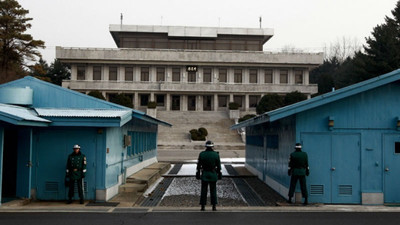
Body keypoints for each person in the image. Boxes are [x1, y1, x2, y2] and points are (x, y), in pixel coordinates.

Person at [196, 140, 222, 211]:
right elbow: (219, 166)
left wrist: (198, 173)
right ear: (212, 146)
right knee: (213, 190)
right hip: (213, 173)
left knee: (203, 190)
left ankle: (203, 206)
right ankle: (214, 206)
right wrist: (219, 173)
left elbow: (198, 165)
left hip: (205, 173)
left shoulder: (202, 154)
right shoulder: (216, 155)